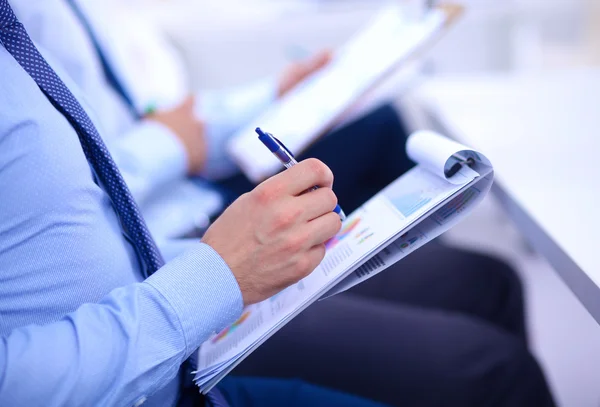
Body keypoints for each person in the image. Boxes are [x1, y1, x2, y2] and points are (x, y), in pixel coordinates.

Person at [4, 1, 558, 406]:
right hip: (158, 336)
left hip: (163, 273)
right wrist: (219, 271)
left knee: (488, 282)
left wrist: (273, 97)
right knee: (492, 369)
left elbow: (113, 158)